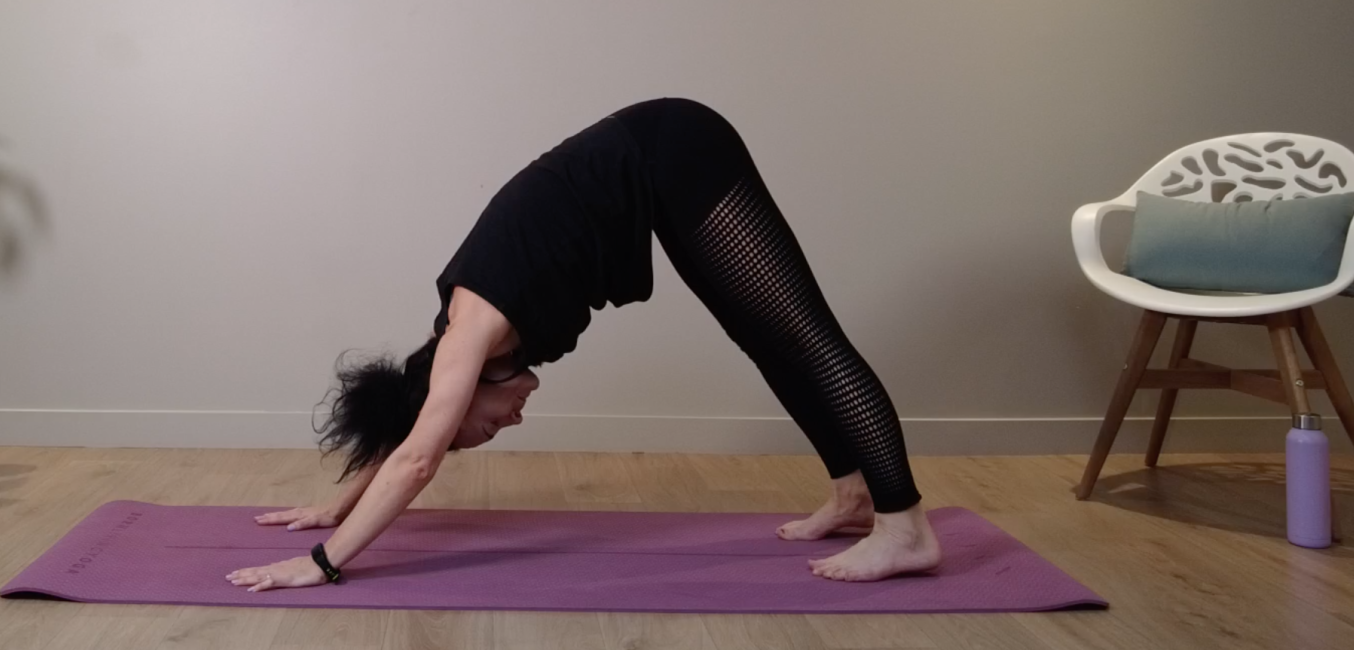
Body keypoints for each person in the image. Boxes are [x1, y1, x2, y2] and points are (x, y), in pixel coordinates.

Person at [225, 98, 941, 590]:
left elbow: (418, 456)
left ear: (462, 391)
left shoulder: (469, 331)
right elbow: (412, 426)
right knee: (766, 341)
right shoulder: (455, 340)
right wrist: (340, 504)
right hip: (661, 168)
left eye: (483, 428)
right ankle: (853, 492)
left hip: (675, 147)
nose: (508, 424)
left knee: (805, 336)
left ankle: (905, 527)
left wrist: (323, 560)